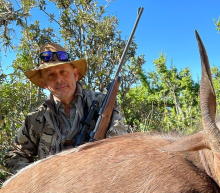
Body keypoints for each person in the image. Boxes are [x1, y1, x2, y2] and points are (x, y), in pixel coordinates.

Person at [3, 42, 127, 174]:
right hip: (52, 191)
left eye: (63, 71)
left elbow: (121, 147)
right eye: (51, 74)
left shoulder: (102, 103)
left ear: (75, 74)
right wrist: (39, 179)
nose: (59, 79)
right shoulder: (35, 118)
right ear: (44, 83)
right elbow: (13, 156)